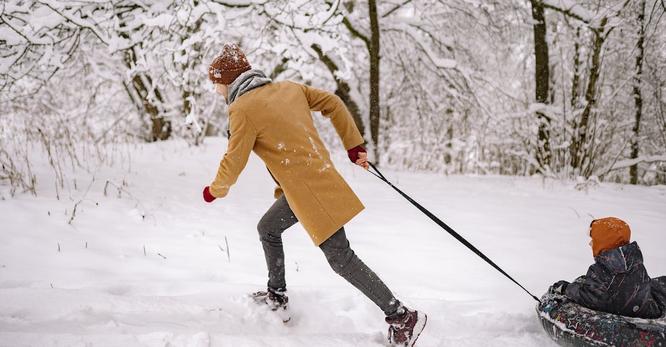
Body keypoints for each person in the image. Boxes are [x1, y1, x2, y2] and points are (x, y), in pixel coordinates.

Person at [202, 43, 427, 346]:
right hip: (305, 187)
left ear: (227, 80)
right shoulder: (289, 88)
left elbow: (234, 160)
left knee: (340, 258)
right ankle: (277, 295)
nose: (215, 90)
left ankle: (402, 316)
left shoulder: (241, 109)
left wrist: (215, 189)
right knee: (267, 229)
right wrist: (354, 145)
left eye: (215, 83)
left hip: (311, 193)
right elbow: (332, 102)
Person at [550, 217, 666, 319]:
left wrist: (566, 288)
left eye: (594, 240)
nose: (590, 244)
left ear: (603, 243)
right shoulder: (636, 262)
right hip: (644, 308)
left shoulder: (601, 271)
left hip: (622, 315)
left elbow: (589, 297)